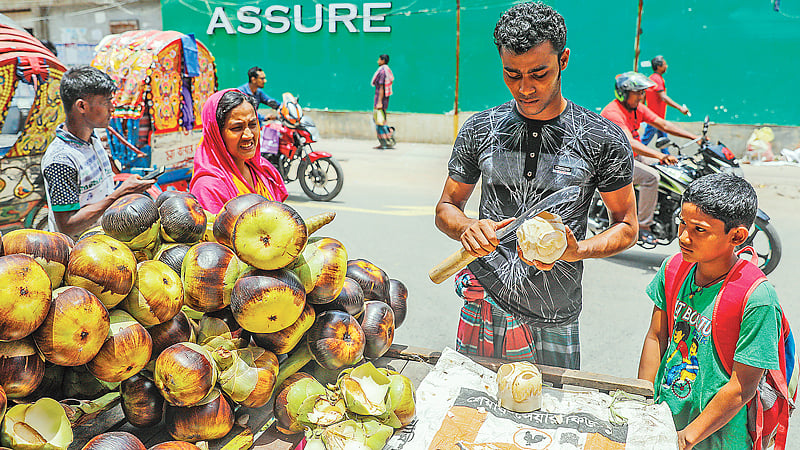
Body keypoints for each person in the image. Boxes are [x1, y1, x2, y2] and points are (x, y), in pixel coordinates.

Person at [434, 2, 638, 369]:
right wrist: (467, 228)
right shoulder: (480, 128)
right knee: (473, 403)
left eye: (539, 73)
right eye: (512, 74)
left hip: (555, 313)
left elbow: (626, 225)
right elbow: (447, 207)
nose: (524, 88)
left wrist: (578, 250)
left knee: (552, 406)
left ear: (564, 60)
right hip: (484, 302)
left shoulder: (602, 138)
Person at [638, 173, 782, 450]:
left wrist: (687, 437)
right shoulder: (672, 269)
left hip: (719, 438)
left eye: (699, 230)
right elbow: (656, 337)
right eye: (682, 223)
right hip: (664, 420)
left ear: (737, 236)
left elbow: (741, 387)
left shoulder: (757, 298)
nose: (683, 236)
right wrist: (641, 404)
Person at [41, 66, 155, 238]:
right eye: (106, 101)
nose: (112, 108)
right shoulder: (61, 160)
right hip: (81, 250)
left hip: (105, 241)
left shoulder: (93, 140)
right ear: (82, 106)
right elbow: (68, 226)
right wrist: (120, 194)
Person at [601, 71, 700, 246]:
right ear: (624, 93)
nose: (642, 96)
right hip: (613, 163)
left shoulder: (637, 108)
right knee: (651, 177)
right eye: (638, 93)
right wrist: (660, 154)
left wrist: (694, 137)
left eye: (642, 92)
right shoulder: (613, 112)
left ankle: (659, 209)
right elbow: (630, 143)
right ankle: (643, 226)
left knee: (669, 169)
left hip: (632, 158)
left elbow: (663, 124)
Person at [190, 88, 287, 214]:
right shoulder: (209, 188)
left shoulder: (264, 170)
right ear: (217, 134)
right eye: (237, 128)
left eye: (253, 124)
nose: (248, 135)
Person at [642, 55, 691, 148]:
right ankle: (632, 154)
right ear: (658, 67)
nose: (666, 66)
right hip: (654, 118)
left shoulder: (653, 78)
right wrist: (680, 108)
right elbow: (663, 97)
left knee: (664, 142)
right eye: (664, 64)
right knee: (644, 142)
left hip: (658, 118)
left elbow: (644, 97)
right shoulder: (656, 79)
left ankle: (666, 156)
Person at [371, 54, 395, 149]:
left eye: (379, 59)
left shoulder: (382, 72)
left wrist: (379, 102)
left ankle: (388, 135)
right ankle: (386, 140)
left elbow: (381, 87)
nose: (378, 61)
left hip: (380, 100)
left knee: (379, 121)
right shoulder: (386, 70)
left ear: (383, 61)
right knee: (381, 120)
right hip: (383, 100)